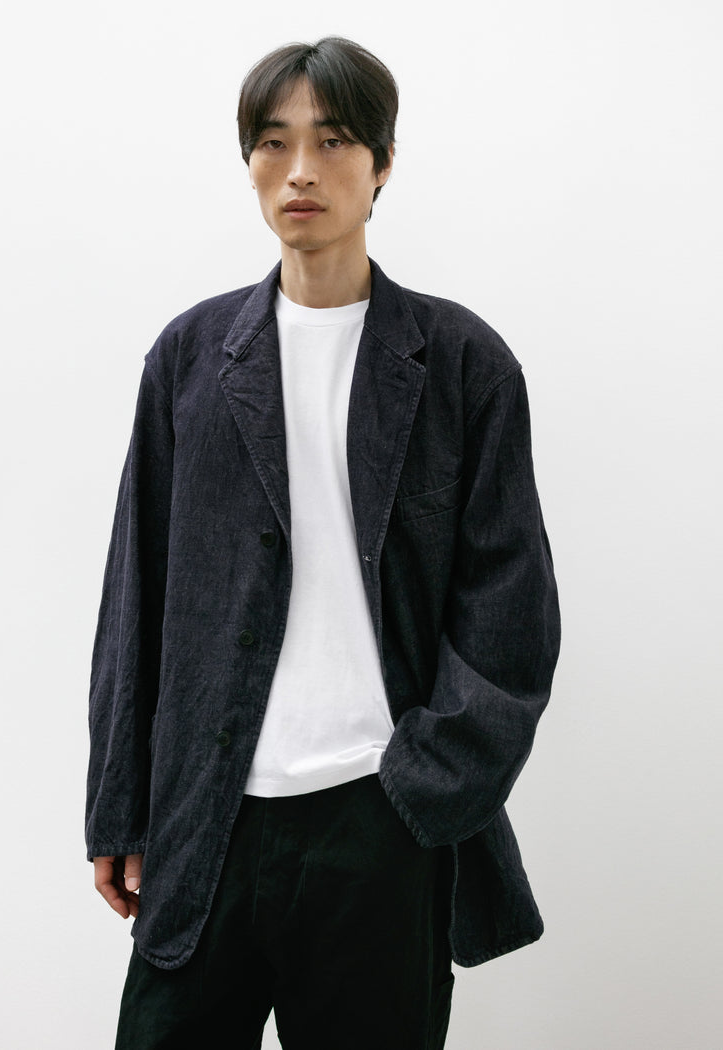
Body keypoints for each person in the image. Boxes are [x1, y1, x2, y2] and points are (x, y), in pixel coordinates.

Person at [86, 36, 560, 1050]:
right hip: (207, 818)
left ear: (382, 164)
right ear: (250, 162)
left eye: (333, 140)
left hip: (377, 820)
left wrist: (425, 786)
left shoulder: (461, 364)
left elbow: (509, 609)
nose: (299, 169)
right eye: (274, 142)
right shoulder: (190, 358)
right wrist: (118, 809)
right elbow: (135, 597)